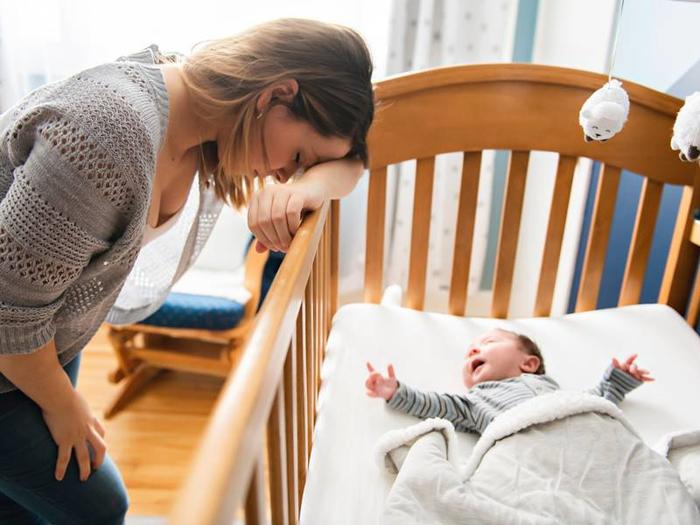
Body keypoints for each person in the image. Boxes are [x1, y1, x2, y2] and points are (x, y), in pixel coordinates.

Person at [0, 18, 374, 524]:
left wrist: (303, 190)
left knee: (20, 502)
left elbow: (351, 167)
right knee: (100, 505)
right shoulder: (109, 131)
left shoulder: (197, 112)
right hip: (15, 344)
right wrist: (64, 405)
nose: (287, 174)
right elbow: (8, 315)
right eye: (299, 157)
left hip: (47, 341)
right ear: (277, 94)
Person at [365, 328, 653, 434]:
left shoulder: (553, 390)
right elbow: (434, 405)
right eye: (468, 354)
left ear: (529, 364)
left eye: (487, 342)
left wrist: (619, 379)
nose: (472, 351)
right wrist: (396, 391)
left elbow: (595, 401)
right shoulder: (475, 402)